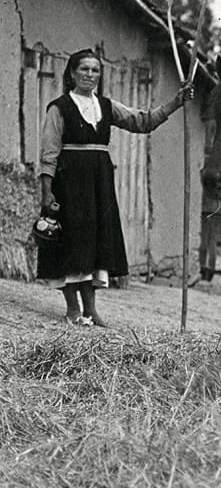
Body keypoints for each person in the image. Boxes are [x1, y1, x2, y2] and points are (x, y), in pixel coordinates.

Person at [37, 48, 192, 326]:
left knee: (96, 244)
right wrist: (47, 191)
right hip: (68, 182)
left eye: (95, 70)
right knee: (72, 243)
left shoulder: (106, 106)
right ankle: (73, 309)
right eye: (84, 69)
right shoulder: (58, 108)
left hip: (99, 183)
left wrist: (177, 102)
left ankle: (91, 311)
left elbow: (143, 121)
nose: (90, 75)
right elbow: (49, 153)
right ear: (72, 73)